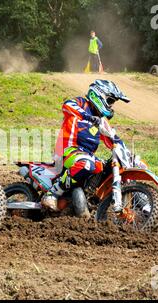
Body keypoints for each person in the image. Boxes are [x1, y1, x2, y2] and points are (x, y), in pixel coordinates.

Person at [41, 80, 130, 212]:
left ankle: (146, 208)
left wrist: (126, 152)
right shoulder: (81, 104)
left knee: (109, 168)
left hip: (85, 156)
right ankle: (52, 193)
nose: (111, 106)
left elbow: (113, 139)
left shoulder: (100, 120)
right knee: (87, 164)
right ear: (99, 95)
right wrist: (87, 117)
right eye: (110, 101)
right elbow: (67, 105)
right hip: (68, 152)